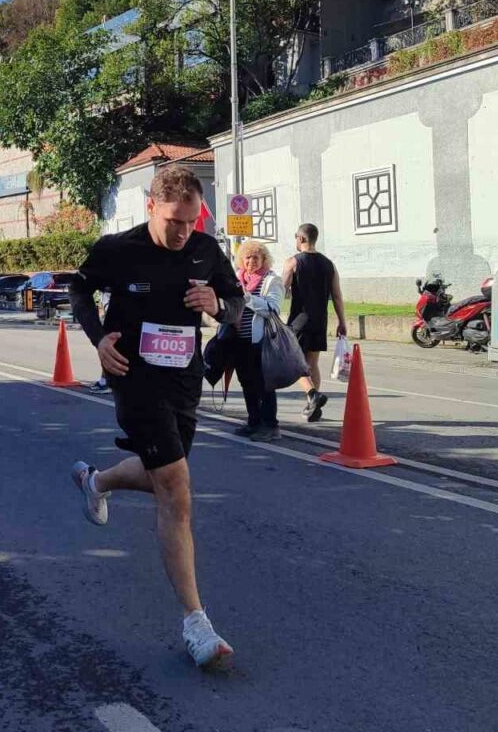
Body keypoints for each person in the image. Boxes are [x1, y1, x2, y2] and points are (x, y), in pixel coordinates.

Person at [68, 166, 244, 670]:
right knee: (176, 488)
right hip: (133, 375)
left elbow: (237, 301)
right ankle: (196, 622)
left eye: (192, 221)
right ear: (151, 207)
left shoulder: (206, 250)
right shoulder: (118, 249)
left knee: (164, 475)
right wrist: (98, 338)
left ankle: (97, 481)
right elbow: (79, 290)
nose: (184, 231)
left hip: (184, 379)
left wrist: (219, 305)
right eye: (174, 221)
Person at [280, 223, 347, 422]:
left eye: (296, 237)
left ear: (301, 238)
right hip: (320, 320)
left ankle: (312, 395)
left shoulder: (292, 262)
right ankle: (312, 408)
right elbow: (337, 296)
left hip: (299, 320)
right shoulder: (329, 264)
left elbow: (281, 290)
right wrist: (342, 321)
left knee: (294, 363)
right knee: (312, 363)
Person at [228, 240, 285, 441]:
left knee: (264, 383)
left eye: (255, 257)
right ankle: (253, 422)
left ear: (264, 259)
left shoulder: (271, 280)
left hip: (261, 341)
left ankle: (270, 425)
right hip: (239, 340)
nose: (251, 261)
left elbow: (272, 308)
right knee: (246, 382)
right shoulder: (237, 278)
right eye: (247, 257)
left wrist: (246, 298)